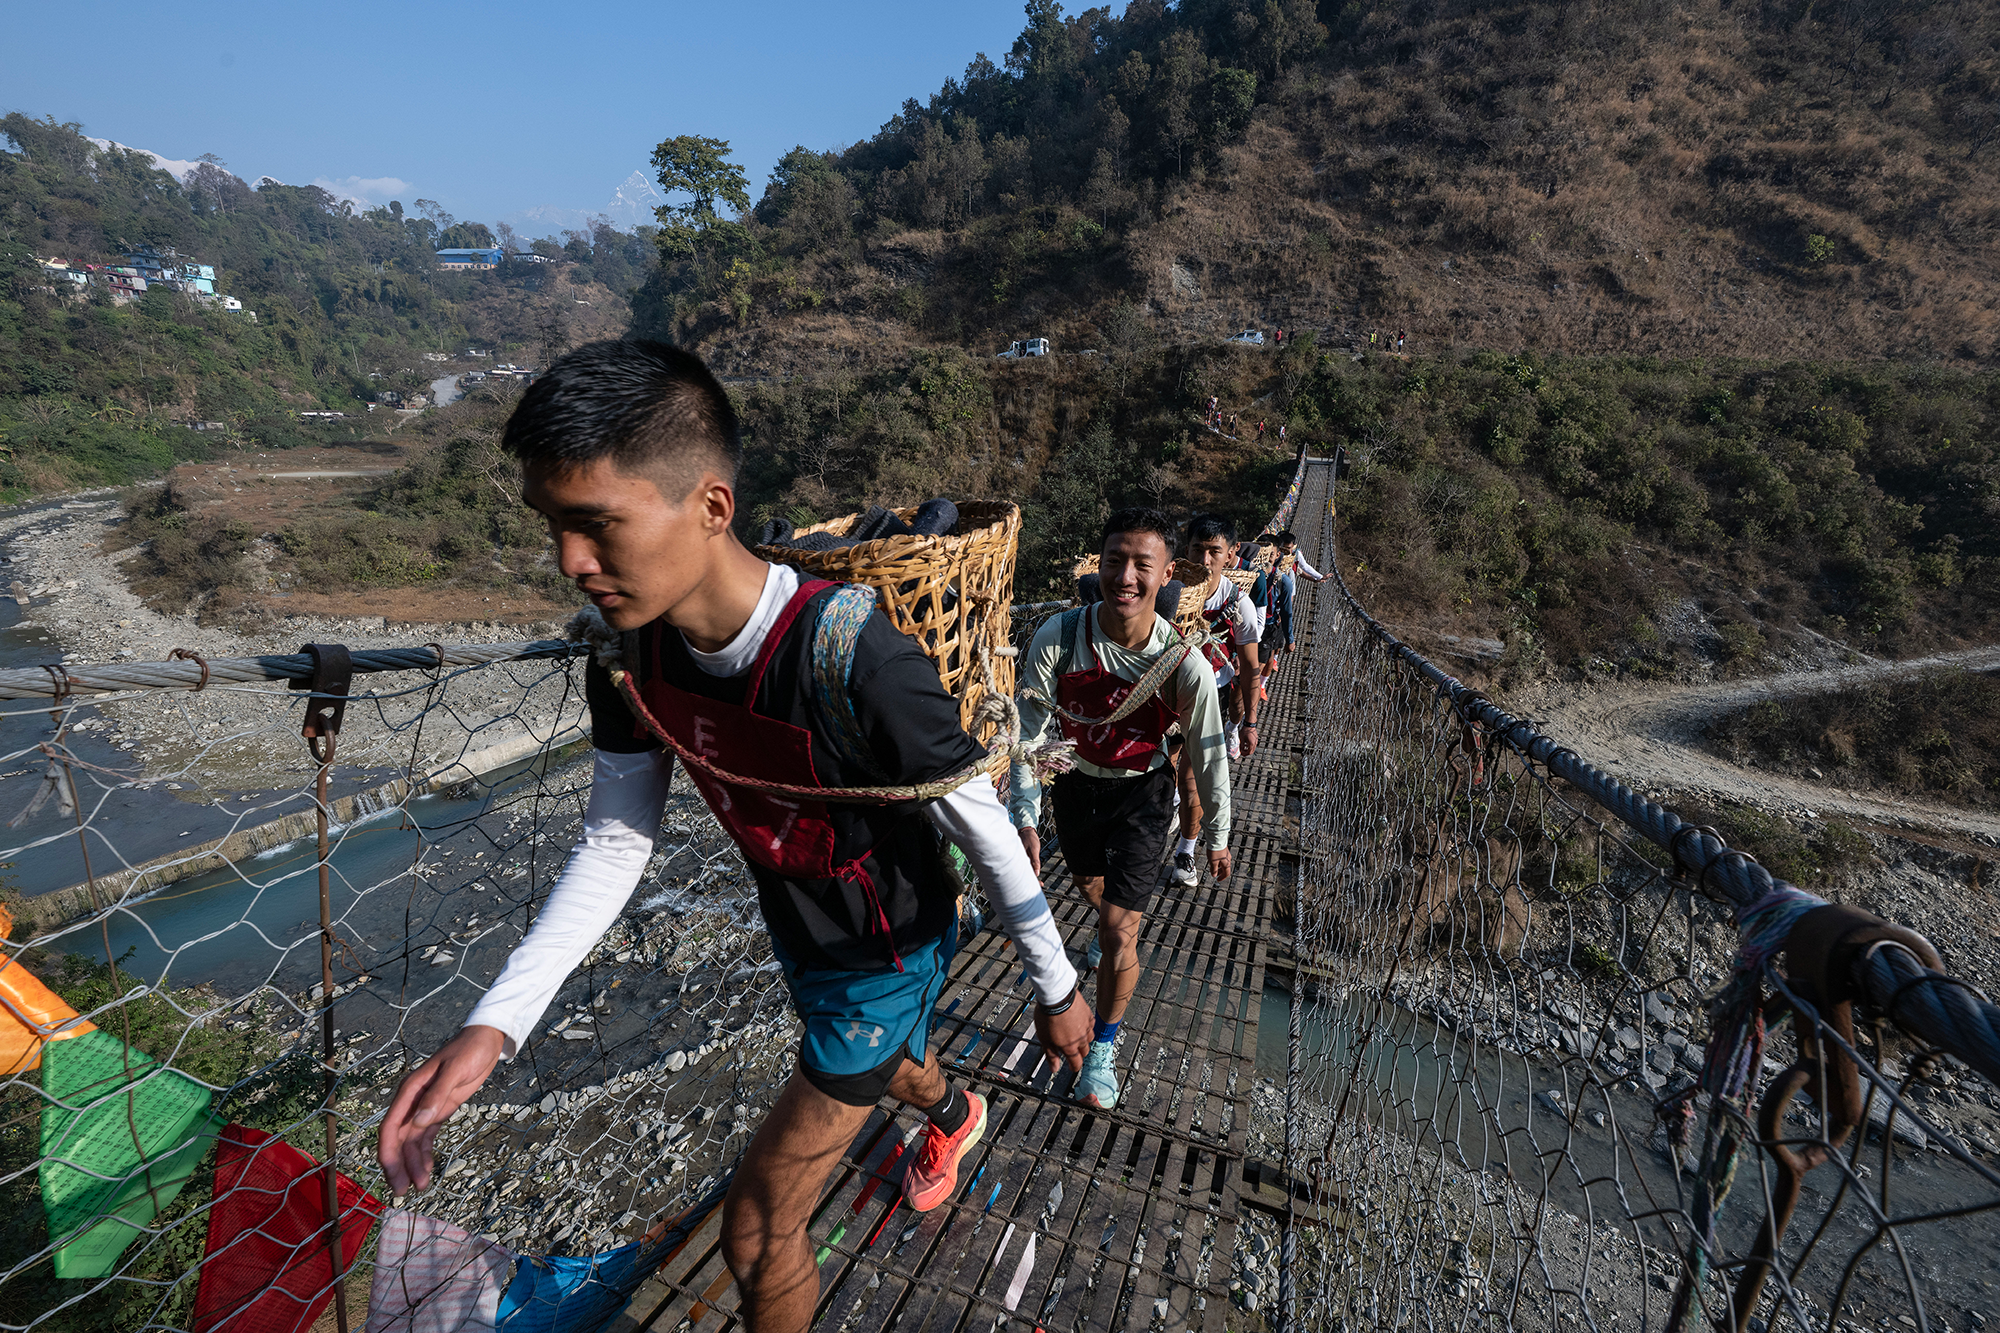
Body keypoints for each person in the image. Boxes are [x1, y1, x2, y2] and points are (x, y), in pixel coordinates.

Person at [375, 341, 1090, 1333]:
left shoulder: (853, 655)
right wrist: (496, 1023)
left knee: (756, 1230)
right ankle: (953, 1109)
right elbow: (616, 840)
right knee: (881, 1061)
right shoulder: (629, 654)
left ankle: (929, 1103)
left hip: (886, 947)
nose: (571, 562)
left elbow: (982, 824)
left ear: (711, 505)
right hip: (802, 929)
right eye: (554, 527)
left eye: (596, 524)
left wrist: (1057, 988)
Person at [1011, 508, 1232, 1110]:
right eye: (1115, 561)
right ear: (1100, 565)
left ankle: (1103, 1047)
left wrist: (1217, 833)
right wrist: (1025, 816)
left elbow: (1210, 754)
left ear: (1167, 575)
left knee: (1117, 931)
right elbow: (1028, 732)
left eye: (1142, 565)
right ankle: (1110, 931)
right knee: (1090, 886)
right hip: (1074, 785)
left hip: (1142, 794)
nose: (1126, 577)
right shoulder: (1059, 637)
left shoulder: (1184, 664)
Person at [1172, 513, 1261, 884]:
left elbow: (1250, 667)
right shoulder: (1167, 591)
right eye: (1197, 549)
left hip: (1211, 696)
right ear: (1186, 549)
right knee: (1166, 773)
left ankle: (1185, 851)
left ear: (1232, 553)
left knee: (1191, 778)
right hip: (1164, 695)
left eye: (1214, 551)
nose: (1204, 560)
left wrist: (1249, 722)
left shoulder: (1239, 604)